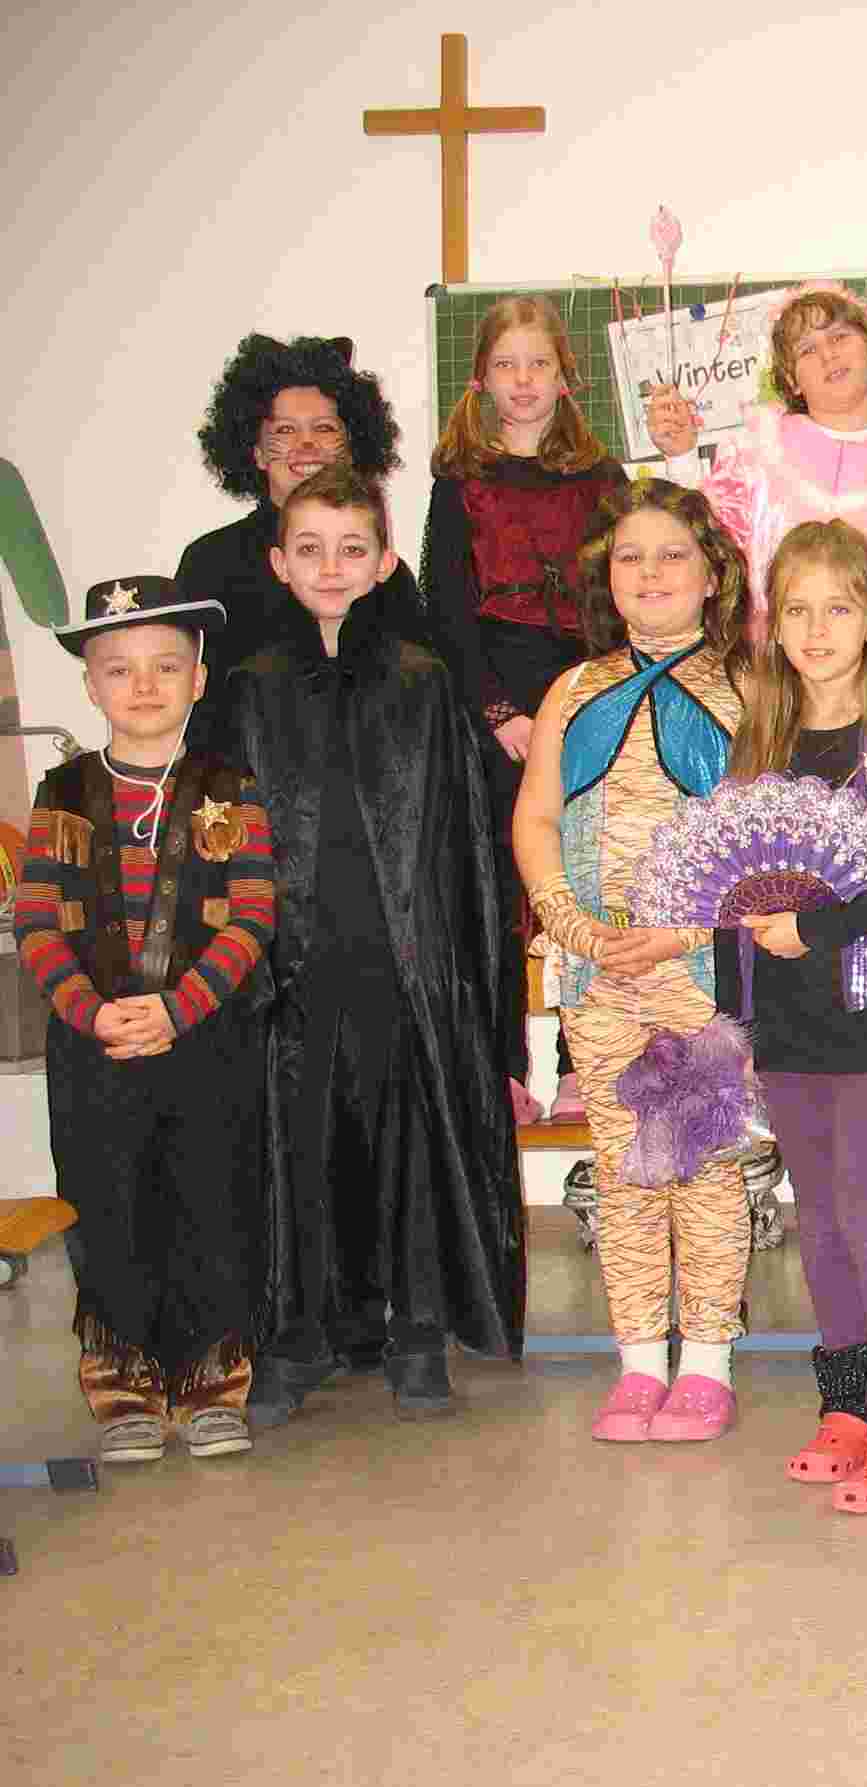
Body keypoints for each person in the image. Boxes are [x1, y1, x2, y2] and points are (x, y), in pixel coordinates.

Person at [231, 467, 525, 1424]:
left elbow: (461, 835)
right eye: (310, 549)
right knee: (298, 1147)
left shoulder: (421, 679)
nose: (332, 567)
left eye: (352, 549)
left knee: (411, 1146)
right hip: (290, 966)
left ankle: (416, 1330)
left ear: (385, 561)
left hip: (402, 962)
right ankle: (301, 1333)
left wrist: (459, 967)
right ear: (279, 562)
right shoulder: (252, 687)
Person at [718, 521, 867, 1512]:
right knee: (815, 1211)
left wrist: (821, 926)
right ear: (774, 627)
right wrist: (732, 1022)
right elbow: (728, 886)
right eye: (798, 610)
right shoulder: (760, 739)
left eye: (838, 608)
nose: (817, 630)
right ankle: (849, 1401)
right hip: (783, 1017)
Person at [514, 478, 749, 1442]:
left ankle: (708, 1364)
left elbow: (764, 844)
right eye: (630, 557)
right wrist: (568, 922)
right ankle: (640, 1361)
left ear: (713, 575)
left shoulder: (750, 688)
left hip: (696, 969)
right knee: (622, 1169)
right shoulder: (572, 690)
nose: (651, 573)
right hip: (599, 963)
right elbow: (536, 817)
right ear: (604, 577)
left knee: (704, 1163)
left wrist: (687, 933)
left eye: (673, 555)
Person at [15, 578, 272, 1461]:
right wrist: (92, 1015)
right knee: (108, 1205)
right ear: (91, 685)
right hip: (94, 1049)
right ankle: (124, 1386)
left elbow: (252, 916)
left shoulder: (229, 787)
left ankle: (212, 1382)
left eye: (167, 666)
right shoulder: (61, 790)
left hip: (205, 1040)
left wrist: (179, 1008)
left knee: (212, 1201)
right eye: (120, 669)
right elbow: (37, 920)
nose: (145, 685)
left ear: (198, 679)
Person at [424, 295, 629, 1124]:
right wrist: (498, 712)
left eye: (538, 364)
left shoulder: (604, 481)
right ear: (480, 378)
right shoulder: (458, 484)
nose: (522, 380)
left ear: (564, 377)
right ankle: (505, 1068)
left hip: (585, 692)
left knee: (585, 875)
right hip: (493, 703)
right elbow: (445, 610)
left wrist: (595, 702)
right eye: (505, 365)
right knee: (499, 885)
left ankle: (586, 1060)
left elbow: (624, 595)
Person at [649, 282, 867, 722]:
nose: (828, 355)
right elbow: (704, 553)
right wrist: (683, 457)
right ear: (790, 379)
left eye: (839, 336)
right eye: (807, 350)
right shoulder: (754, 454)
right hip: (767, 695)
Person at [177, 334, 425, 750]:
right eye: (285, 430)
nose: (306, 445)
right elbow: (191, 706)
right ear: (256, 452)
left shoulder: (387, 574)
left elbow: (418, 708)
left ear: (351, 447)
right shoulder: (210, 563)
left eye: (324, 428)